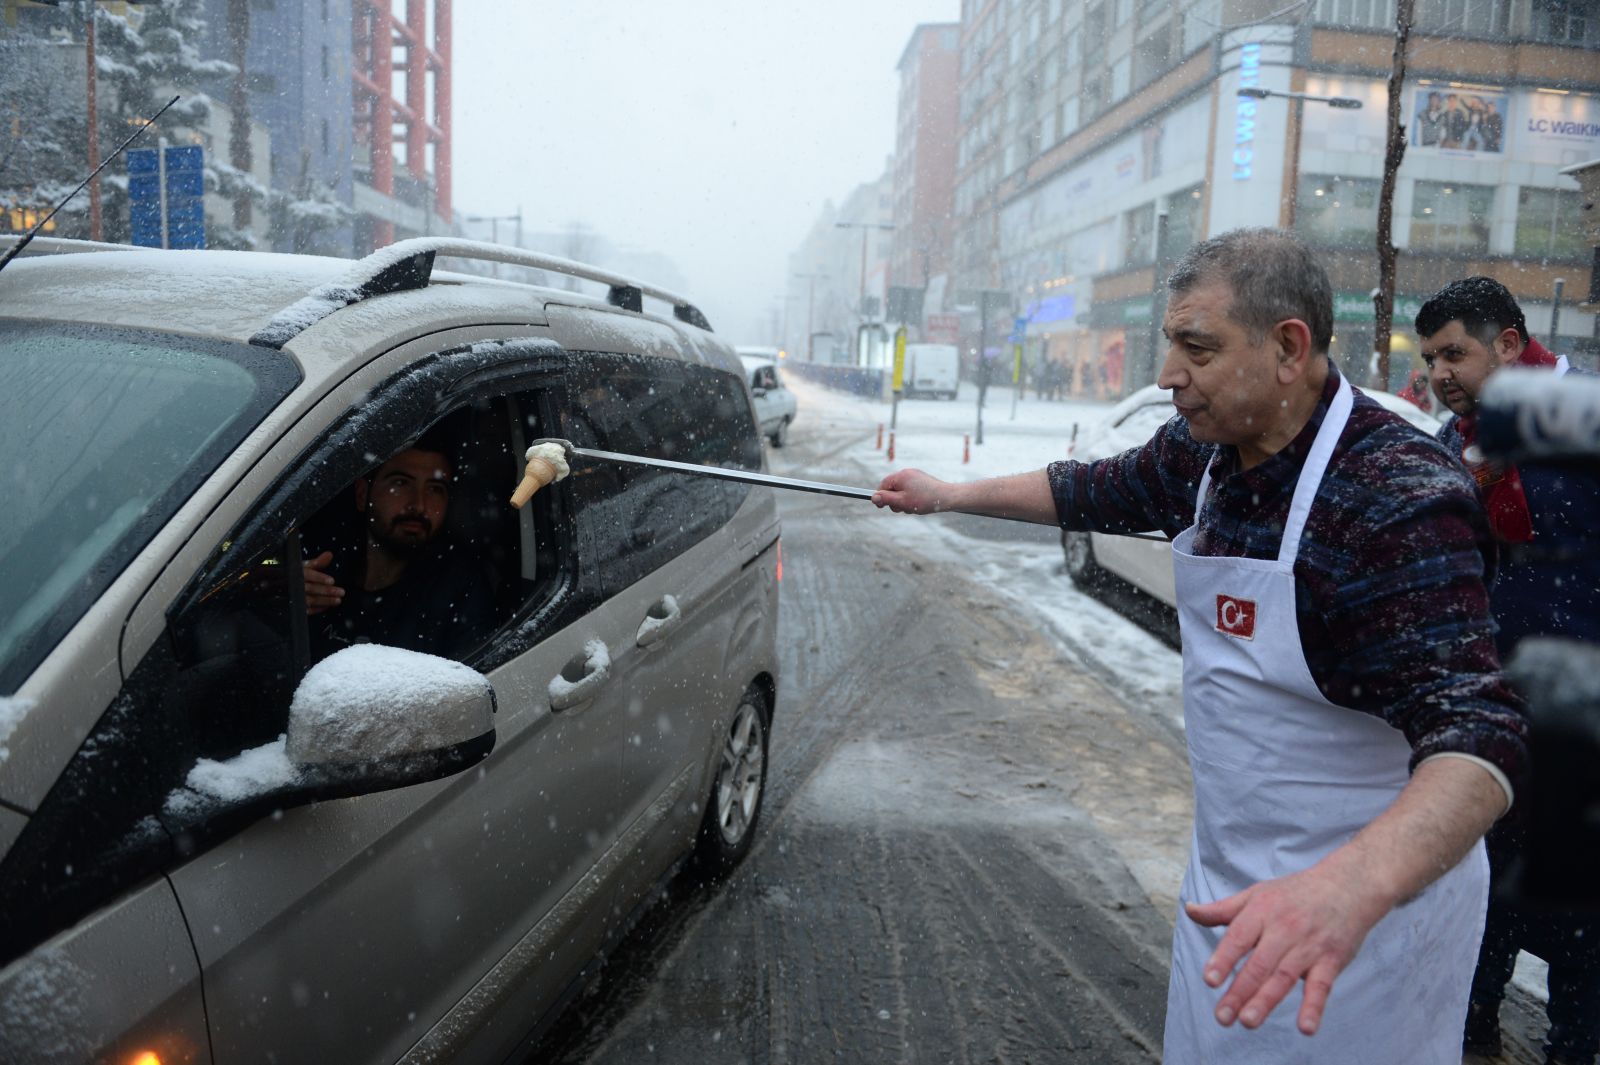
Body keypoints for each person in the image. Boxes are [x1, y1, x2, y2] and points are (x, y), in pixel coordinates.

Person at [872, 228, 1528, 1064]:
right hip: (1230, 883)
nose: (1167, 375)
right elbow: (1094, 488)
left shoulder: (1394, 499)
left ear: (1289, 347)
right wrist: (951, 494)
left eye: (1198, 348)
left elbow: (1479, 735)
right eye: (1170, 343)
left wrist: (1347, 890)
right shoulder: (1207, 452)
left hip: (1364, 927)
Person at [1417, 277, 1600, 1065]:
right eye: (1429, 358)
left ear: (1511, 343)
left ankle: (1575, 1047)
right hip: (1482, 715)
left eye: (1454, 352)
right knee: (1475, 880)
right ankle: (1473, 1020)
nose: (1439, 372)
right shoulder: (1444, 442)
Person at [303, 434, 496, 661]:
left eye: (435, 489)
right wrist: (288, 600)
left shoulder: (459, 590)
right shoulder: (323, 567)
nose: (419, 504)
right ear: (362, 494)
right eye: (401, 483)